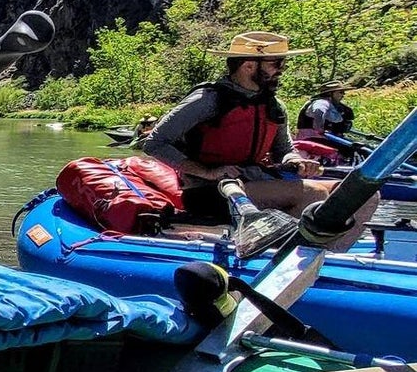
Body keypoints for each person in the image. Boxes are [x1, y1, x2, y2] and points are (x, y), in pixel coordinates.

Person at [142, 31, 377, 248]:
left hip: (256, 182)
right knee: (312, 193)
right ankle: (288, 258)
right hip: (212, 191)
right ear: (248, 65)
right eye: (276, 63)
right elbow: (155, 143)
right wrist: (208, 172)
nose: (282, 69)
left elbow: (284, 150)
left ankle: (326, 256)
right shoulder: (207, 100)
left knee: (361, 194)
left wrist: (296, 161)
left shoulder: (274, 106)